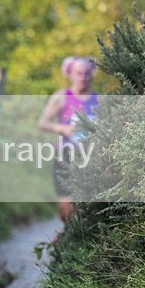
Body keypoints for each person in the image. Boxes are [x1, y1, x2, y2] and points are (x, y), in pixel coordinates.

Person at [38, 56, 98, 222]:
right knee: (66, 207)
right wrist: (62, 128)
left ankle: (80, 241)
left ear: (91, 74)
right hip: (65, 156)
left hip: (91, 158)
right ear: (70, 73)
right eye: (78, 73)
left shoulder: (98, 100)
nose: (82, 78)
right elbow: (42, 123)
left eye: (86, 74)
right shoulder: (61, 96)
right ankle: (67, 235)